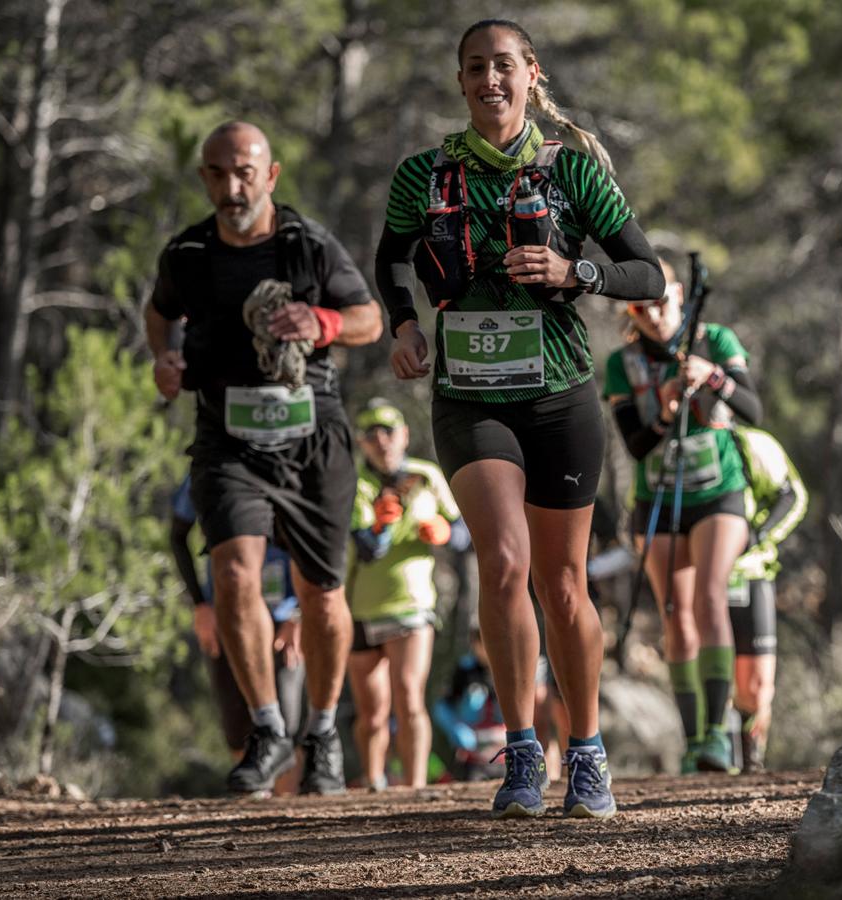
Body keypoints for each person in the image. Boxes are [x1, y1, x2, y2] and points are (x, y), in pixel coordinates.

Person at [375, 19, 664, 819]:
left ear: (531, 73)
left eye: (504, 65)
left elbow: (648, 272)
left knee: (561, 583)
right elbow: (390, 256)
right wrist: (402, 324)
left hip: (559, 394)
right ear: (461, 81)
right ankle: (523, 752)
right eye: (475, 68)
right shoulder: (424, 175)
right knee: (503, 562)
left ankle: (589, 750)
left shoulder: (572, 172)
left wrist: (576, 270)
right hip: (469, 396)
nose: (489, 80)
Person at [145, 121, 383, 795]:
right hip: (228, 438)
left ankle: (322, 730)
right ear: (204, 179)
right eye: (218, 173)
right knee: (233, 572)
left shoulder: (306, 246)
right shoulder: (187, 254)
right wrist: (165, 359)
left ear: (271, 174)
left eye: (245, 172)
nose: (232, 186)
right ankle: (269, 728)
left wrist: (323, 323)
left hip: (312, 437)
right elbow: (157, 313)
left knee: (321, 594)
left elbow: (368, 318)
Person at [603, 253, 763, 774]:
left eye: (659, 301)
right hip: (659, 496)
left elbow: (754, 410)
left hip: (719, 492)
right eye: (639, 309)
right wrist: (667, 409)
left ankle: (720, 733)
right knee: (676, 609)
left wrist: (713, 379)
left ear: (676, 296)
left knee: (712, 594)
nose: (651, 314)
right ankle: (694, 737)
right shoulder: (621, 365)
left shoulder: (715, 340)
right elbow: (634, 445)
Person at [346, 399, 468, 790]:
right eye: (371, 434)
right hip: (361, 607)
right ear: (362, 443)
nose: (381, 440)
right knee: (371, 711)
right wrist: (382, 524)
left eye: (388, 431)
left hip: (412, 603)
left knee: (409, 696)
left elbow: (464, 531)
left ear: (404, 435)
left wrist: (445, 532)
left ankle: (414, 789)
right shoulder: (354, 483)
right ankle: (374, 782)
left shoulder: (427, 476)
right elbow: (366, 549)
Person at [169, 474, 306, 794]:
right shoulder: (206, 470)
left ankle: (287, 816)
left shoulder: (287, 466)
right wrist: (200, 605)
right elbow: (177, 536)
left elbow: (317, 540)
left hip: (283, 620)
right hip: (225, 618)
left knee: (286, 725)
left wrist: (300, 613)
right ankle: (255, 804)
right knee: (235, 722)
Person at [727, 426, 808, 773]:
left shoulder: (754, 444)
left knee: (757, 686)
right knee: (712, 678)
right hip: (699, 579)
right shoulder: (677, 443)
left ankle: (752, 763)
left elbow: (793, 496)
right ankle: (717, 764)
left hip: (752, 574)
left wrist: (757, 536)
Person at [432, 625, 508, 782]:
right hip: (472, 759)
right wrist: (456, 728)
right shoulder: (465, 671)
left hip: (505, 756)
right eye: (482, 644)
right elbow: (443, 706)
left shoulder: (508, 668)